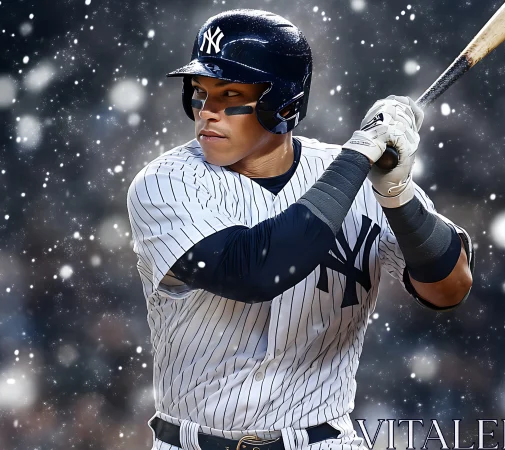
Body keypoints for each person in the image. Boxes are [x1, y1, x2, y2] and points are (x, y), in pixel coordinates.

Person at [127, 9, 475, 450]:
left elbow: (450, 289)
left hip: (321, 440)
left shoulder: (358, 176)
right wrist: (357, 159)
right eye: (200, 93)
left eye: (230, 93)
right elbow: (257, 269)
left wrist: (398, 194)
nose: (207, 113)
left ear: (285, 105)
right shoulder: (165, 183)